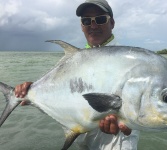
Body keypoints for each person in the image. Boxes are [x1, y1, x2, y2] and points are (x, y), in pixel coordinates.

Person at [15, 0, 140, 149]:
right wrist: (33, 92)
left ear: (112, 23)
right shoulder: (75, 61)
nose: (93, 26)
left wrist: (132, 122)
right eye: (87, 21)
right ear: (82, 26)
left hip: (116, 143)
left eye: (100, 19)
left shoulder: (130, 60)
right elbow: (65, 97)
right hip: (82, 141)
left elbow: (138, 104)